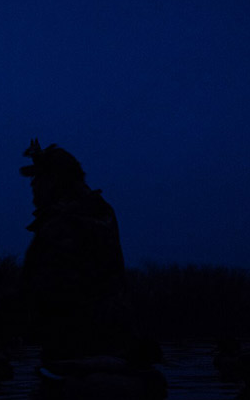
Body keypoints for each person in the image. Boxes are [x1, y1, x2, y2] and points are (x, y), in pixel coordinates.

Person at [20, 139, 159, 366]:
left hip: (81, 357)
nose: (32, 185)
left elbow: (48, 292)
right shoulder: (98, 211)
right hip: (110, 347)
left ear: (54, 180)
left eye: (38, 177)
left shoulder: (64, 222)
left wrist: (4, 310)